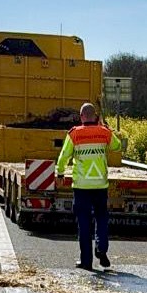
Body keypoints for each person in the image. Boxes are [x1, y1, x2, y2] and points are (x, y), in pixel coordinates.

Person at [56, 103, 123, 270]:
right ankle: (101, 248)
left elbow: (64, 156)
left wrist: (60, 173)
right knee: (101, 218)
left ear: (81, 116)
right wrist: (107, 129)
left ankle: (86, 262)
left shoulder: (74, 134)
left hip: (81, 187)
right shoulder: (104, 132)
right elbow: (117, 146)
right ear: (96, 116)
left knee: (84, 223)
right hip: (100, 185)